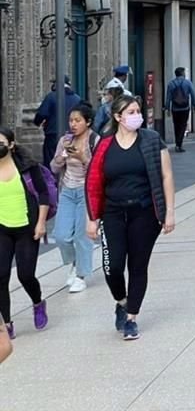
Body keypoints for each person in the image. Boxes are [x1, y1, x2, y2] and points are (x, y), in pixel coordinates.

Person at [85, 95, 176, 341]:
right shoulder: (104, 144)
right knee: (112, 266)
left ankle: (131, 318)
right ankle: (121, 301)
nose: (137, 115)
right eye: (131, 111)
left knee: (137, 265)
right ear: (117, 117)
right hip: (113, 212)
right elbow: (94, 182)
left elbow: (166, 176)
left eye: (138, 110)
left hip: (144, 212)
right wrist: (91, 217)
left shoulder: (151, 140)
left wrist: (169, 211)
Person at [0, 126, 50, 339]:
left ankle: (38, 302)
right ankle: (7, 324)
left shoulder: (28, 167)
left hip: (27, 228)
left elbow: (43, 194)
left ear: (11, 145)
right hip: (2, 229)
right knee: (1, 276)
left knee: (25, 275)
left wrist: (40, 223)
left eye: (1, 142)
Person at [51, 104, 98, 293]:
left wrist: (82, 157)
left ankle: (80, 275)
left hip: (86, 192)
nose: (73, 124)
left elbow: (98, 171)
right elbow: (54, 167)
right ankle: (74, 262)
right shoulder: (65, 140)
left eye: (78, 120)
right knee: (61, 236)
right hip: (67, 191)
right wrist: (62, 157)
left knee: (82, 236)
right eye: (71, 120)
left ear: (88, 122)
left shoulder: (95, 140)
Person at [34, 77, 82, 167]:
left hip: (53, 134)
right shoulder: (77, 99)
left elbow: (41, 114)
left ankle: (52, 180)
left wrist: (37, 122)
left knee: (51, 160)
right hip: (71, 134)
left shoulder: (51, 96)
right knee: (69, 158)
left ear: (56, 84)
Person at [165, 67, 195, 152]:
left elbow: (168, 97)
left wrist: (167, 108)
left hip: (175, 108)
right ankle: (179, 144)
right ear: (183, 74)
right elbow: (193, 95)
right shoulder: (187, 83)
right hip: (185, 108)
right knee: (183, 125)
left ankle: (177, 143)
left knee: (176, 126)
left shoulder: (171, 84)